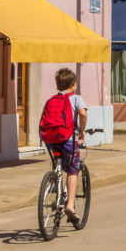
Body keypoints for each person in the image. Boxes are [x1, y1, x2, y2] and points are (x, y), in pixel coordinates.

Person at [41, 67, 88, 223]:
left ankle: (55, 178)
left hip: (50, 139)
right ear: (73, 84)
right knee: (72, 171)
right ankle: (69, 205)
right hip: (67, 138)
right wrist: (82, 131)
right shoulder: (75, 98)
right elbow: (82, 114)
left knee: (57, 161)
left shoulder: (50, 100)